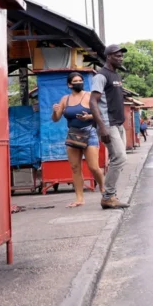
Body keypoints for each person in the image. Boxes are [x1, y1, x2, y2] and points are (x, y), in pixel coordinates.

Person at [51, 72, 105, 208]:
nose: (78, 83)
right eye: (75, 81)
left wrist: (89, 117)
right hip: (73, 134)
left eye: (80, 80)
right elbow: (56, 119)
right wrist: (55, 111)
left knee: (93, 167)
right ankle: (79, 198)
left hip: (89, 133)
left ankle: (105, 191)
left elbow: (100, 114)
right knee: (75, 168)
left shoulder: (89, 96)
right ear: (69, 84)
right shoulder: (65, 99)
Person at [90, 44, 130, 209]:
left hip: (117, 124)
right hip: (108, 124)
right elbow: (93, 102)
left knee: (118, 159)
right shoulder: (101, 76)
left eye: (121, 56)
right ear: (108, 56)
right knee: (119, 157)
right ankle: (107, 196)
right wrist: (102, 127)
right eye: (117, 56)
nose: (121, 58)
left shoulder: (117, 76)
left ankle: (111, 195)